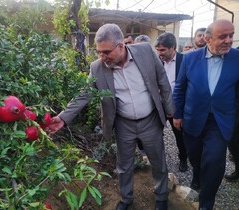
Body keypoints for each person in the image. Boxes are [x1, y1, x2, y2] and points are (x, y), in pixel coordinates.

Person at [47, 23, 175, 210]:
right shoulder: (98, 67)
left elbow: (162, 79)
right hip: (124, 123)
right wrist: (64, 117)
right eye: (99, 52)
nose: (102, 57)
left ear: (121, 46)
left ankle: (162, 197)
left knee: (158, 160)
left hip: (150, 120)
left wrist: (169, 108)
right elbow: (85, 93)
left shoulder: (146, 52)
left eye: (106, 52)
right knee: (124, 165)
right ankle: (126, 198)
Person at [173, 19, 239, 210]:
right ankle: (198, 174)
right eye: (223, 37)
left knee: (214, 160)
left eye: (231, 35)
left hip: (220, 120)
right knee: (196, 156)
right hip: (193, 118)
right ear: (208, 39)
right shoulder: (190, 58)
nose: (228, 40)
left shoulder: (237, 58)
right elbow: (180, 88)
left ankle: (206, 202)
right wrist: (178, 114)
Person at [154, 32, 188, 172]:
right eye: (158, 50)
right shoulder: (156, 61)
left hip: (177, 107)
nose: (159, 53)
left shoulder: (184, 60)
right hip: (160, 106)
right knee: (156, 134)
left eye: (163, 50)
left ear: (173, 47)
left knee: (180, 136)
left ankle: (183, 159)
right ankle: (159, 160)